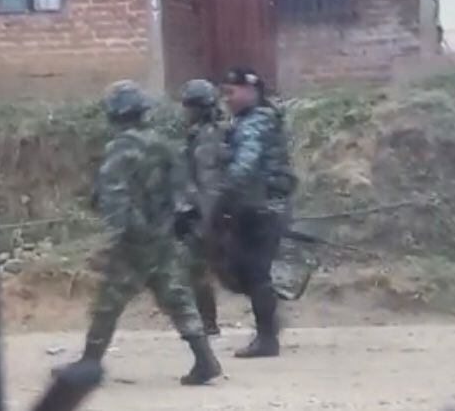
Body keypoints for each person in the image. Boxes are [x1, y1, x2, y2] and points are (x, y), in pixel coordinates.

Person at [65, 80, 222, 385]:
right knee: (177, 298)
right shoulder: (163, 144)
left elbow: (114, 197)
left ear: (115, 113)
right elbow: (185, 191)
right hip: (163, 236)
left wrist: (120, 236)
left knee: (108, 303)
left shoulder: (119, 148)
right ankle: (205, 359)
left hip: (134, 241)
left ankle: (88, 364)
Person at [208, 67, 297, 358]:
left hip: (263, 207)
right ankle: (269, 320)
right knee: (237, 269)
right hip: (251, 205)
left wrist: (221, 200)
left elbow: (244, 168)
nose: (227, 99)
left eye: (231, 92)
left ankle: (267, 339)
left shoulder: (256, 122)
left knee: (255, 272)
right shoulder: (245, 120)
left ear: (251, 91)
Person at [174, 79, 225, 336]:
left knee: (197, 270)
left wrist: (205, 223)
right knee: (196, 271)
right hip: (198, 214)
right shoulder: (200, 135)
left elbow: (209, 185)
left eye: (187, 107)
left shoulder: (206, 139)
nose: (184, 112)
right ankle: (207, 323)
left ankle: (207, 324)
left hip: (205, 217)